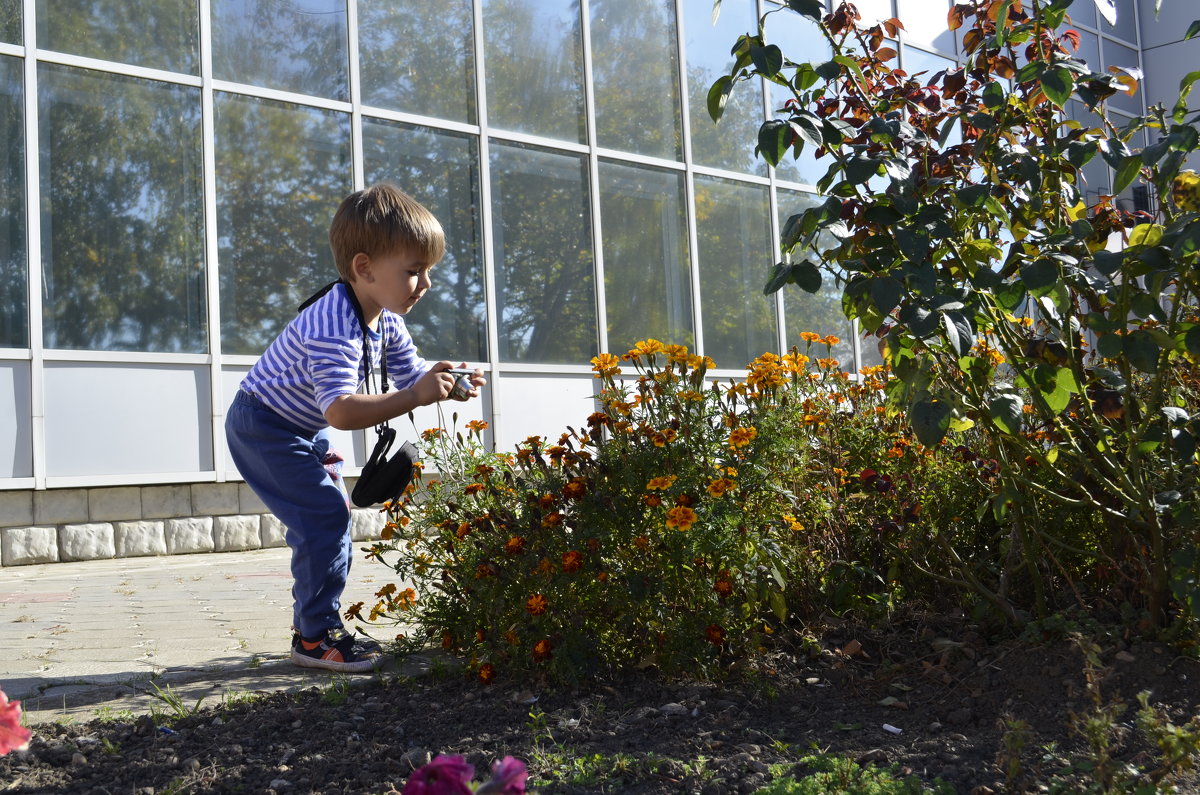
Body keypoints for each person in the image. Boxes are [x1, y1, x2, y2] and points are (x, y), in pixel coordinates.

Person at [225, 183, 485, 672]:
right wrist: (415, 395)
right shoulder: (333, 322)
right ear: (364, 268)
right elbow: (341, 411)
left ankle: (319, 626)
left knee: (330, 519)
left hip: (299, 428)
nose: (426, 283)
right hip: (264, 426)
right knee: (324, 518)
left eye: (428, 271)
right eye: (413, 271)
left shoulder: (385, 319)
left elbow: (411, 374)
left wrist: (444, 381)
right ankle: (314, 637)